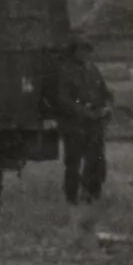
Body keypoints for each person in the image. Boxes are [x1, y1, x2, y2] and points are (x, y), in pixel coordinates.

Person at [47, 34, 113, 205]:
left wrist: (106, 107)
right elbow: (62, 99)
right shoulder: (65, 71)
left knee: (97, 160)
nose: (85, 54)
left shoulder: (93, 70)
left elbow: (105, 92)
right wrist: (83, 112)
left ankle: (92, 193)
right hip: (75, 124)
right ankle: (72, 196)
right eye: (82, 50)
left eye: (88, 50)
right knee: (73, 162)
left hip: (95, 122)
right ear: (74, 51)